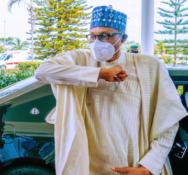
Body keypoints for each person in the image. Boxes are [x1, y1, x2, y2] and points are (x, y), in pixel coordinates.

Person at [34, 5, 187, 175]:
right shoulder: (80, 59)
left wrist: (148, 168)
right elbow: (42, 72)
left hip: (132, 166)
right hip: (87, 168)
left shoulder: (149, 66)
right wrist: (99, 73)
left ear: (123, 38)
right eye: (92, 36)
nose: (97, 42)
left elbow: (168, 123)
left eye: (105, 35)